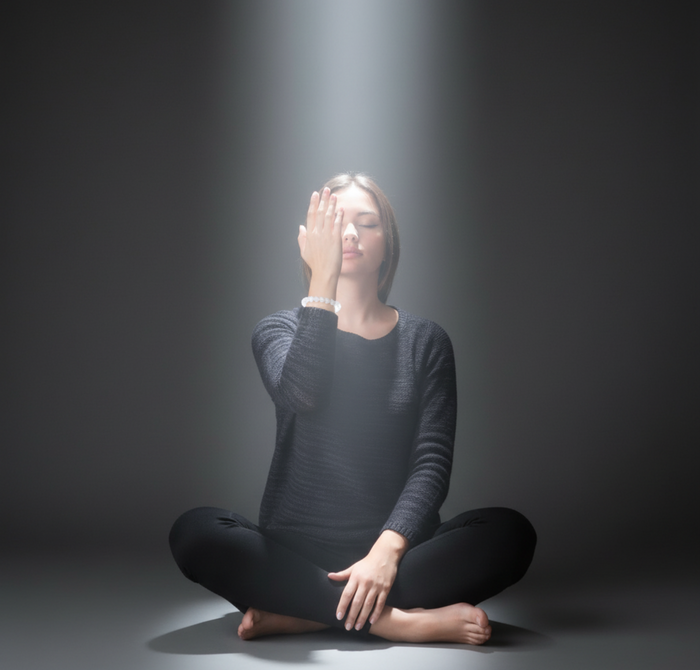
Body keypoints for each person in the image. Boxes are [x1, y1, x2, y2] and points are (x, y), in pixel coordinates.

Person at [169, 173, 536, 645]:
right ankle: (395, 622)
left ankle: (303, 611)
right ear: (312, 242)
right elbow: (303, 394)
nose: (350, 235)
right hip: (293, 549)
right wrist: (322, 281)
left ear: (388, 245)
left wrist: (386, 552)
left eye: (367, 224)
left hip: (397, 550)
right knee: (194, 531)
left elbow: (431, 464)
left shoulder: (426, 342)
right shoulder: (277, 330)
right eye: (337, 223)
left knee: (510, 532)